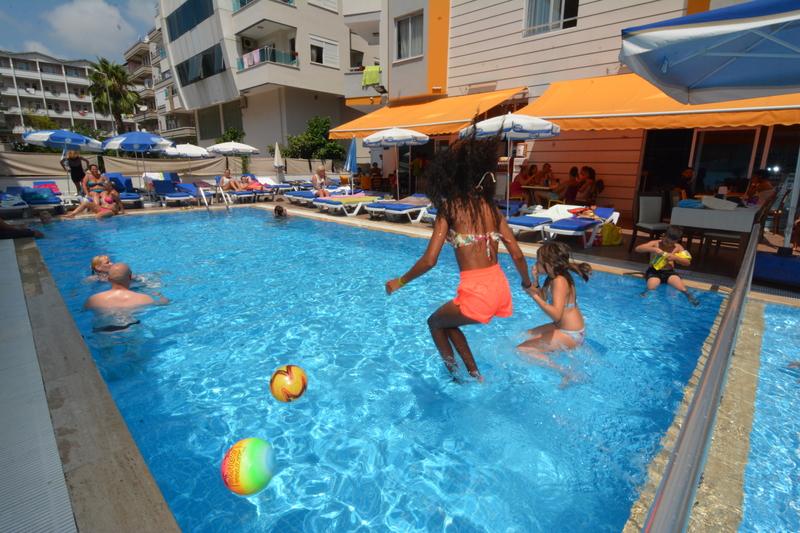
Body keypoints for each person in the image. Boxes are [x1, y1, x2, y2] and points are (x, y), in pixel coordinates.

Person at [385, 132, 532, 382]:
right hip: (499, 288)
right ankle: (475, 376)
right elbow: (517, 254)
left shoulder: (449, 209)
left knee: (434, 322)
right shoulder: (491, 208)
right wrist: (527, 283)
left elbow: (429, 260)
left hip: (477, 293)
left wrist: (399, 282)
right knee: (447, 323)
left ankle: (457, 377)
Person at [518, 242, 591, 363]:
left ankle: (565, 371)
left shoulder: (559, 281)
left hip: (570, 333)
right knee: (524, 335)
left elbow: (556, 314)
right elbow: (544, 298)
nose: (536, 264)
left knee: (522, 349)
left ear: (548, 264)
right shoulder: (553, 277)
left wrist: (534, 295)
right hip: (561, 326)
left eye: (538, 261)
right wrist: (535, 280)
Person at [635, 225, 699, 306]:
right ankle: (643, 299)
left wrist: (675, 258)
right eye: (667, 242)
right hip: (654, 272)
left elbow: (687, 263)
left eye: (672, 243)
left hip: (669, 273)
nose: (668, 245)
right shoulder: (655, 243)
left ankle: (691, 299)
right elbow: (638, 249)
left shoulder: (678, 247)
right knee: (651, 288)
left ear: (677, 241)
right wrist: (654, 249)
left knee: (683, 289)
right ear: (663, 236)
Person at [85, 263, 167, 310]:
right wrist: (160, 295)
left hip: (101, 331)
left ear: (108, 279)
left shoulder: (93, 300)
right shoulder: (145, 299)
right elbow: (164, 304)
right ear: (130, 277)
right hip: (130, 329)